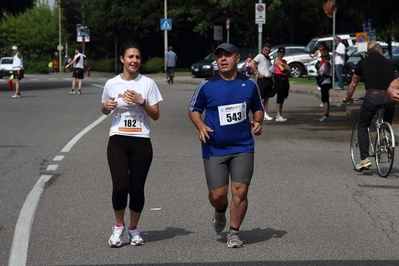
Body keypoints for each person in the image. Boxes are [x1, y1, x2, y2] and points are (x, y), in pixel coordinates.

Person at [188, 43, 264, 248]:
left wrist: (258, 121)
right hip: (214, 147)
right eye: (219, 56)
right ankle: (219, 210)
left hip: (243, 147)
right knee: (218, 195)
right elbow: (193, 109)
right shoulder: (207, 85)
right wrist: (200, 125)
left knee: (240, 191)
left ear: (236, 58)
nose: (222, 59)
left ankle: (234, 232)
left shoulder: (249, 84)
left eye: (227, 55)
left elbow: (258, 108)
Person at [101, 41, 163, 247]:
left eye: (137, 57)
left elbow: (155, 115)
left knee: (137, 189)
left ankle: (134, 229)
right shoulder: (112, 84)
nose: (134, 60)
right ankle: (118, 226)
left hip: (141, 141)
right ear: (122, 59)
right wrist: (106, 106)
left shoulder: (147, 84)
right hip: (118, 139)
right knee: (120, 186)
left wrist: (141, 101)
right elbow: (104, 109)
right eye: (130, 57)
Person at [343, 42, 395, 170]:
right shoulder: (389, 63)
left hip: (372, 97)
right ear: (381, 51)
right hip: (389, 97)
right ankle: (386, 134)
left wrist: (348, 97)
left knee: (362, 125)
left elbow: (354, 82)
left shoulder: (363, 62)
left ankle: (365, 159)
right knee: (389, 112)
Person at [250, 44, 274, 120]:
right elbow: (252, 63)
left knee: (267, 97)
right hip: (262, 79)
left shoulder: (268, 58)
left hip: (268, 78)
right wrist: (257, 72)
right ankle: (258, 113)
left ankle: (265, 113)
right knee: (261, 97)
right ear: (263, 50)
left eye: (269, 50)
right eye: (266, 50)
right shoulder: (260, 56)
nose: (267, 51)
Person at [273, 47, 291, 121]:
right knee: (279, 96)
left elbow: (289, 69)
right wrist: (284, 66)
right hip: (279, 78)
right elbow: (282, 69)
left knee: (283, 96)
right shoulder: (276, 59)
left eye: (283, 52)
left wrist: (284, 65)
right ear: (278, 52)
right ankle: (278, 115)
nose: (281, 53)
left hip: (284, 78)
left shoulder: (284, 61)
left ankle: (280, 114)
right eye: (280, 52)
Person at [317, 51, 332, 122]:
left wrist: (320, 76)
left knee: (325, 99)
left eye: (323, 57)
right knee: (324, 99)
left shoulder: (327, 62)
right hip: (324, 82)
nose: (322, 58)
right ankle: (326, 114)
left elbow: (326, 71)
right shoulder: (324, 63)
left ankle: (326, 115)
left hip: (326, 82)